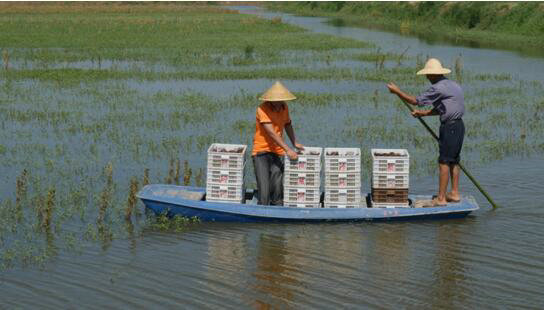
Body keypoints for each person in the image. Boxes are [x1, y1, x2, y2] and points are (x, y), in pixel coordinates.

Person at [386, 58, 465, 206]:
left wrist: (397, 91)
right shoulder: (452, 84)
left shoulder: (438, 88)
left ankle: (441, 199)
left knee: (444, 161)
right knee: (454, 160)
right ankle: (454, 193)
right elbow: (445, 108)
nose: (427, 77)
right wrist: (424, 114)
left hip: (450, 128)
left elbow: (415, 101)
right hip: (459, 126)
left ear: (434, 74)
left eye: (428, 75)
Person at [252, 81, 304, 206]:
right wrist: (288, 150)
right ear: (270, 100)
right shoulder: (262, 109)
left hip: (277, 151)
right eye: (277, 100)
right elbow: (272, 133)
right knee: (264, 192)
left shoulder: (284, 107)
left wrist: (294, 142)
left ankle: (277, 213)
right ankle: (262, 211)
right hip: (261, 152)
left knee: (277, 188)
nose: (279, 102)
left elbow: (287, 124)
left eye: (281, 100)